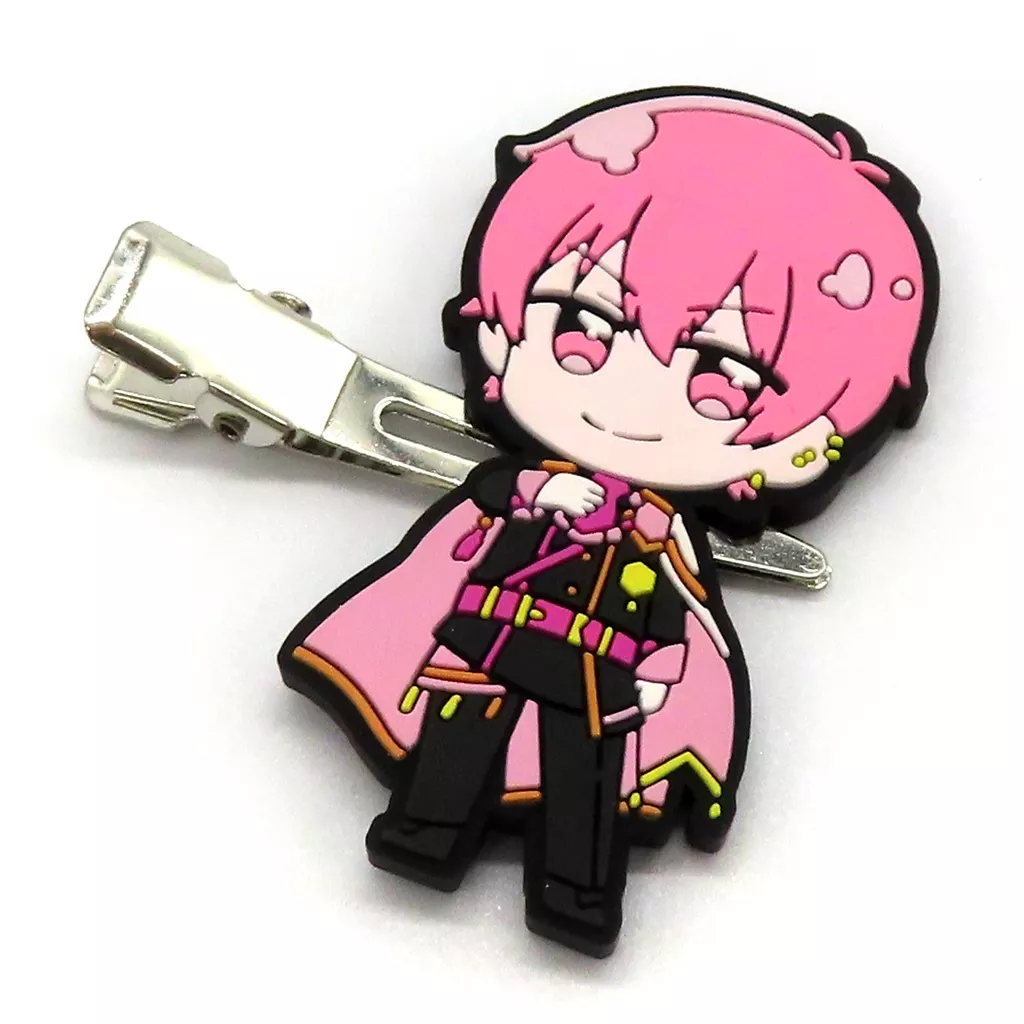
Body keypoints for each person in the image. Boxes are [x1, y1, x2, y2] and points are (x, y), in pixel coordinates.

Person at [280, 88, 937, 957]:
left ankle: (579, 886)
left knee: (586, 774)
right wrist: (536, 493)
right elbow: (489, 498)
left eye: (723, 374)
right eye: (585, 322)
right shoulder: (529, 484)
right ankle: (427, 827)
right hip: (491, 633)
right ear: (500, 323)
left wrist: (662, 667)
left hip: (600, 667)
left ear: (802, 441)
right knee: (460, 733)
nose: (635, 392)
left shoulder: (664, 531)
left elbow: (679, 599)